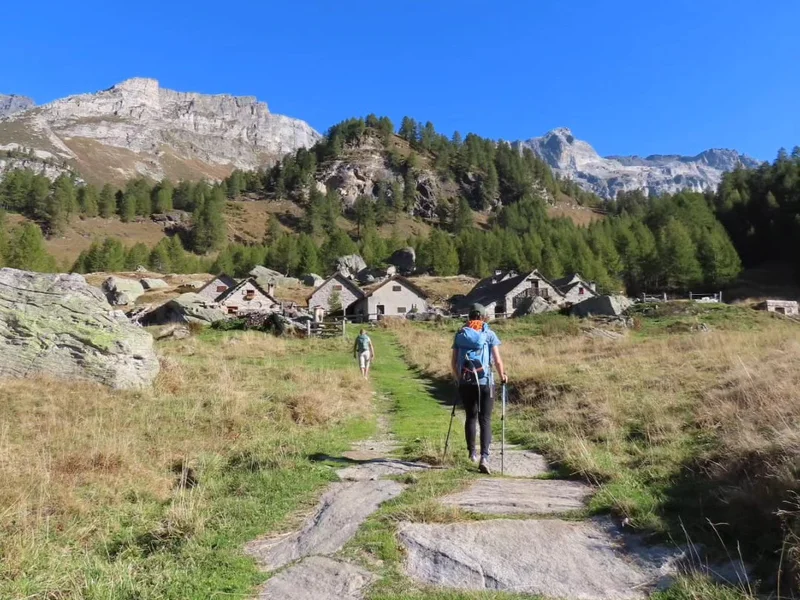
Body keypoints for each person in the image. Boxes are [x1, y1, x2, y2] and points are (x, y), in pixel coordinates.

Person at [451, 303, 507, 474]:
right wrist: (503, 375)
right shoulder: (489, 334)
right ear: (483, 317)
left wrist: (459, 378)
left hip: (466, 381)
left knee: (471, 417)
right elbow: (497, 360)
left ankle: (472, 453)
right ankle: (484, 456)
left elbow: (453, 362)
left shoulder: (460, 334)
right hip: (485, 381)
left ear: (469, 316)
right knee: (486, 419)